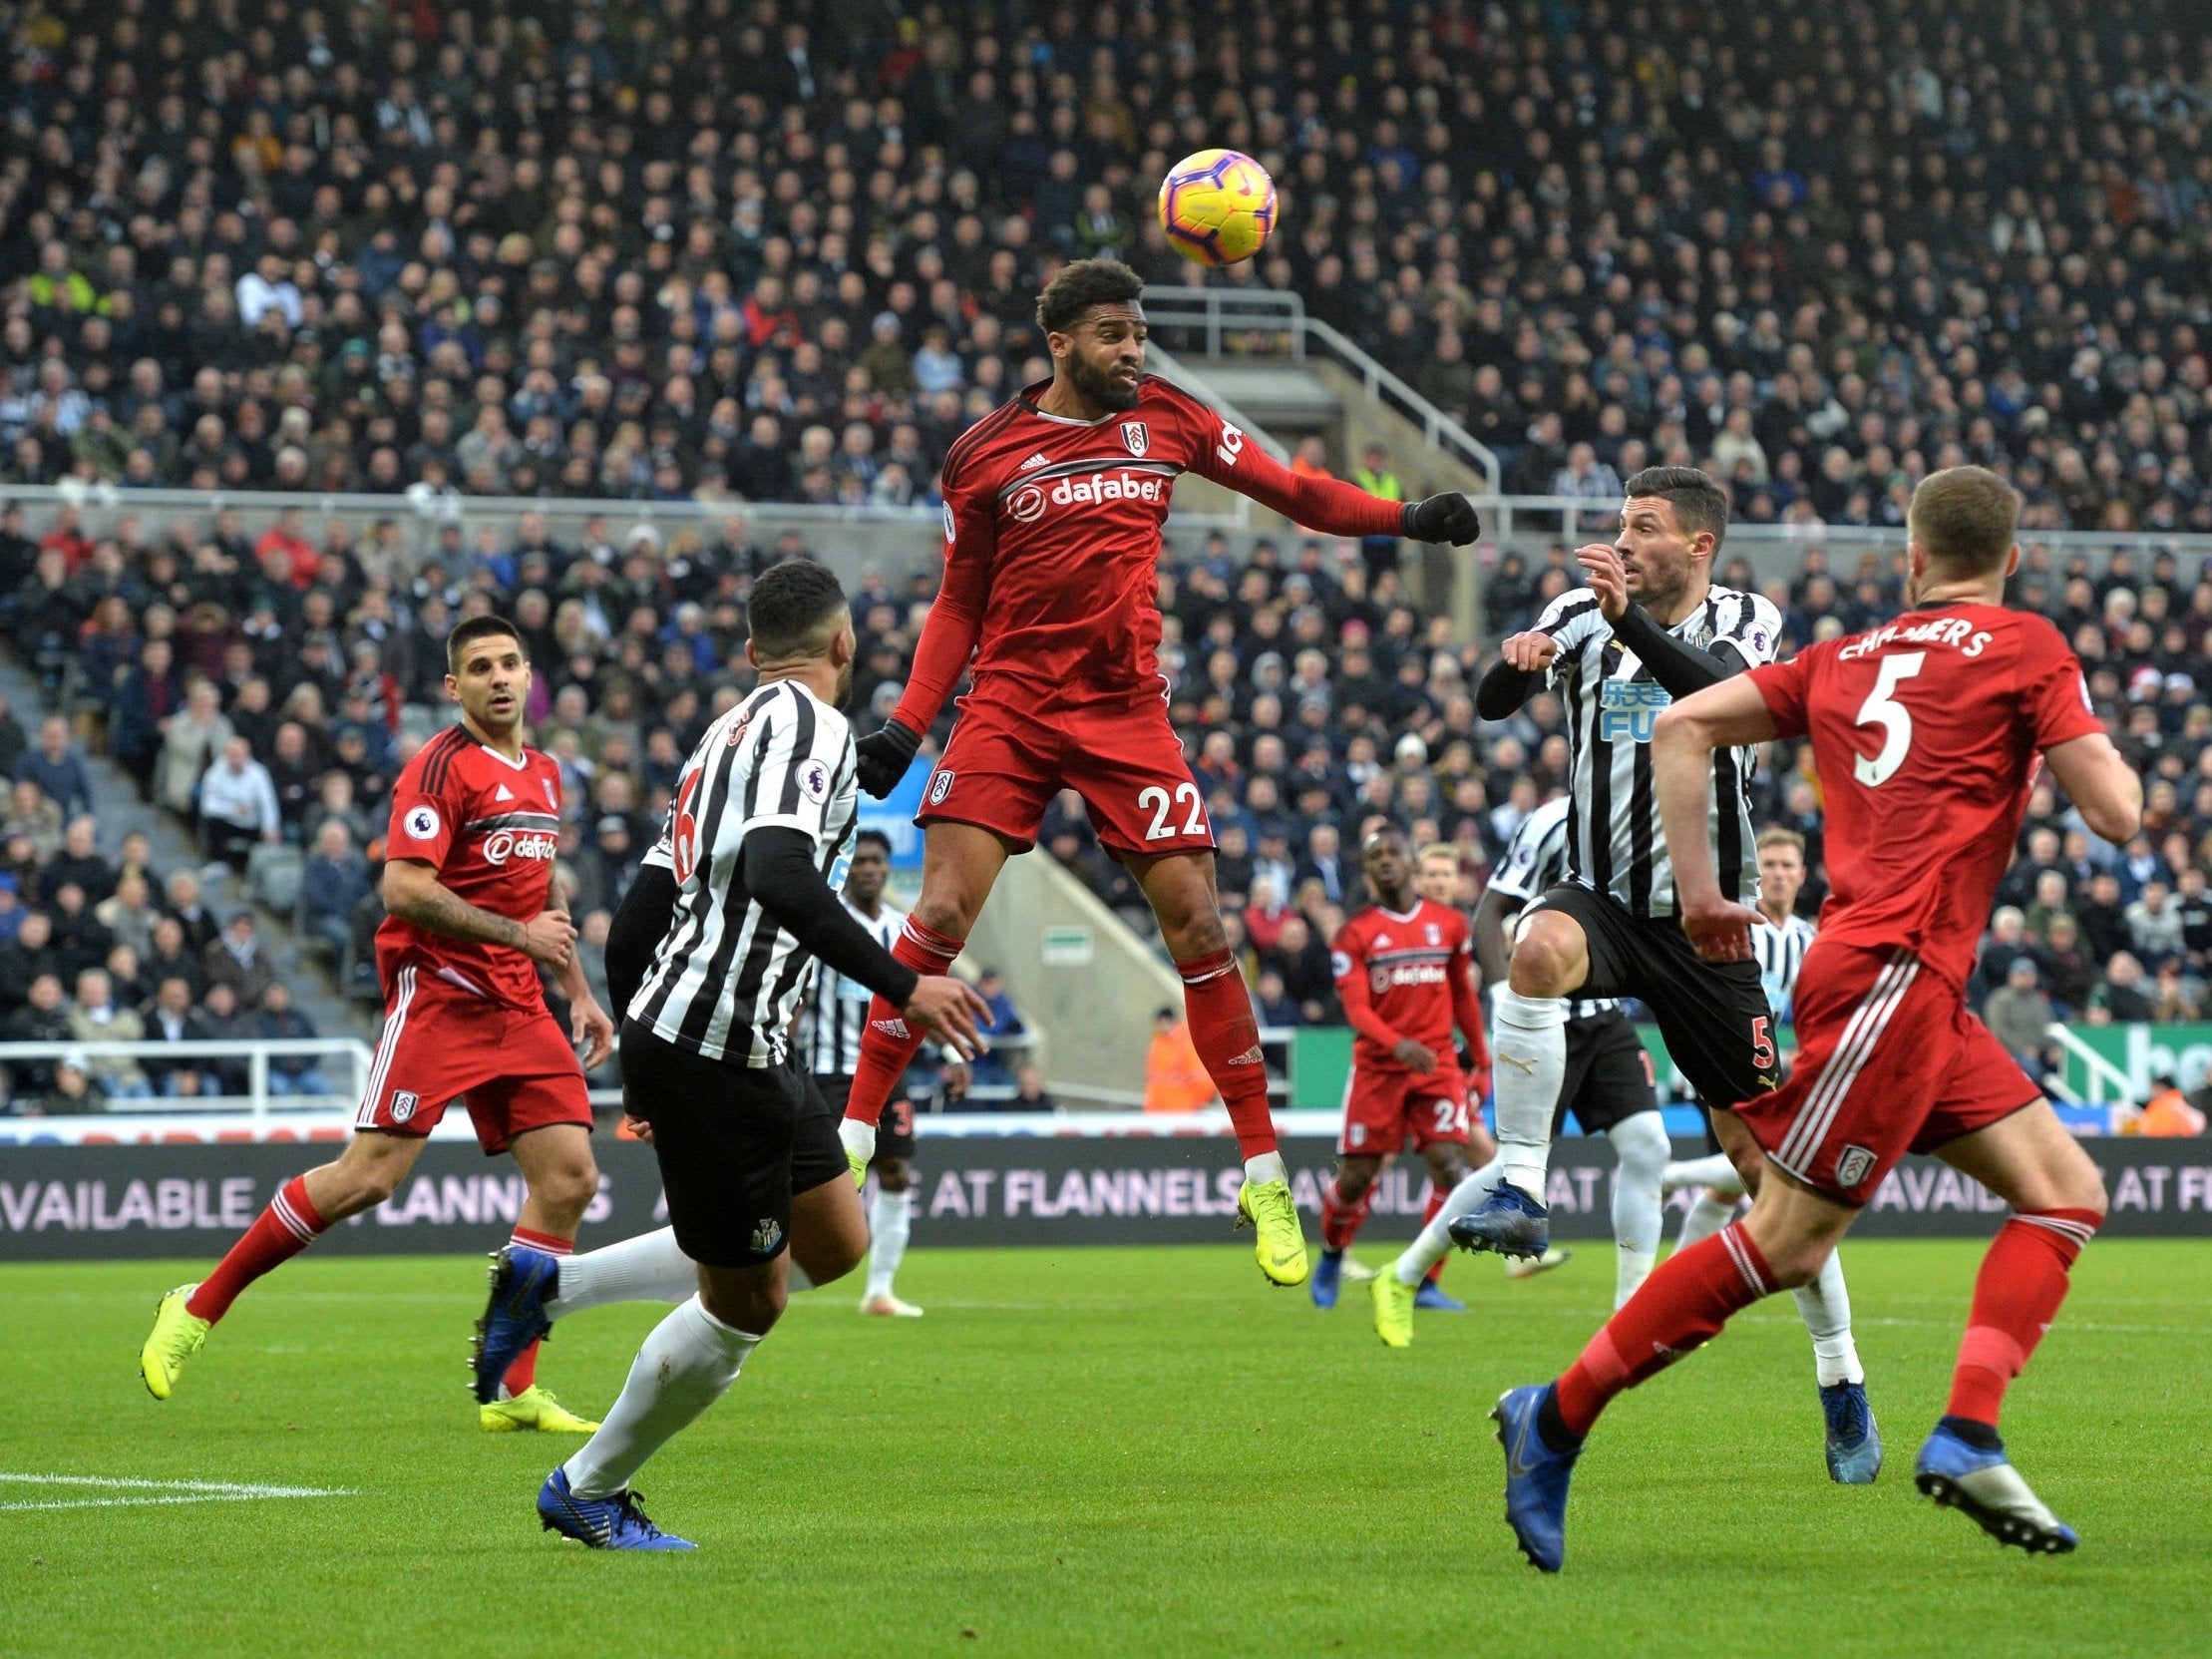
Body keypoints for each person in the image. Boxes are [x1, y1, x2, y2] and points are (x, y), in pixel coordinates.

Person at [1491, 465, 2141, 1572]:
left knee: (2066, 1192)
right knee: (1784, 1242)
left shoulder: (1846, 656)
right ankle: (1552, 1416)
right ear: (2012, 561)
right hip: (1892, 975)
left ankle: (1969, 1430)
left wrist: (1699, 893)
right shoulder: (2026, 646)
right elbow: (2117, 814)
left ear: (1911, 560)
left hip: (1910, 984)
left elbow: (1683, 726)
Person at [837, 258, 1482, 1290]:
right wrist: (908, 727)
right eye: (1110, 334)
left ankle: (1264, 1174)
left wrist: (1401, 518)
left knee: (1201, 929)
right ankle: (855, 1137)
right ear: (1058, 342)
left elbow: (1296, 492)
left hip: (1126, 714)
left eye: (1137, 332)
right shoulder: (984, 455)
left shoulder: (1171, 421)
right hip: (1006, 707)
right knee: (943, 916)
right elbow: (958, 604)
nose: (1132, 349)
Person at [523, 559, 985, 1550]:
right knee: (749, 1303)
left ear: (750, 652)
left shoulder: (724, 739)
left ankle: (548, 1289)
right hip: (718, 1045)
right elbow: (779, 871)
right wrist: (908, 982)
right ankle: (587, 1486)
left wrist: (643, 1055)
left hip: (729, 1040)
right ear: (845, 645)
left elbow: (638, 916)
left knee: (835, 1242)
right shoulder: (807, 727)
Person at [1447, 467, 1876, 1484]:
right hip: (1599, 896)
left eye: (1643, 527)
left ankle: (1839, 1372)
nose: (1622, 540)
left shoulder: (1748, 618)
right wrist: (1517, 664)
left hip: (1707, 924)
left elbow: (1708, 694)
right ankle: (1518, 1186)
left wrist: (1623, 619)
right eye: (1619, 525)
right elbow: (1489, 702)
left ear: (1698, 546)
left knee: (1767, 1178)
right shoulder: (1578, 608)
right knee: (1534, 953)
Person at [140, 615, 617, 1435]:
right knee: (368, 1177)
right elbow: (404, 889)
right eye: (480, 667)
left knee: (570, 1176)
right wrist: (521, 939)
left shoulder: (543, 771)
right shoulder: (437, 769)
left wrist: (574, 985)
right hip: (438, 994)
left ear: (529, 674)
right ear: (453, 686)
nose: (499, 678)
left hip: (518, 999)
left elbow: (543, 888)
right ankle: (199, 1303)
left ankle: (510, 1386)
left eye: (509, 663)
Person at [1372, 799, 1670, 1344]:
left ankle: (1632, 1313)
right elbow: (1490, 909)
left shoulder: (1661, 818)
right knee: (1512, 1168)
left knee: (1650, 1146)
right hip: (1541, 1016)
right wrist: (1499, 997)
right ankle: (1404, 1274)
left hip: (1604, 1017)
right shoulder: (1555, 820)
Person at [1314, 828, 1489, 1316]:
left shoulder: (1450, 925)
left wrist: (1482, 1057)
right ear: (1368, 871)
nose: (1386, 862)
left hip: (1435, 1066)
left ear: (1411, 863)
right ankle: (1331, 1255)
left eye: (1394, 853)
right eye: (1376, 857)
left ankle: (1423, 1279)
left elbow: (1462, 997)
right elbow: (1357, 1011)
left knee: (1451, 1168)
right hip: (1379, 1070)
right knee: (1356, 1177)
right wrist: (1398, 1044)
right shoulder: (1355, 934)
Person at [805, 828, 950, 1318]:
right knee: (820, 1182)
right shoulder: (824, 926)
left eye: (878, 862)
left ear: (888, 869)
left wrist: (950, 1053)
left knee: (896, 1171)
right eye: (862, 860)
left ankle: (880, 1290)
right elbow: (796, 996)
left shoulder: (901, 930)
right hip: (829, 1072)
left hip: (891, 1072)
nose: (870, 869)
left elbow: (924, 999)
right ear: (850, 868)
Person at [1660, 827, 1822, 1243]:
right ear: (1757, 872)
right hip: (1713, 1055)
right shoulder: (1733, 924)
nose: (1779, 874)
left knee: (1732, 1184)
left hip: (1761, 1061)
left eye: (1787, 866)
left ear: (1802, 875)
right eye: (1769, 865)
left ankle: (1679, 1282)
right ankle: (1673, 1176)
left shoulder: (1807, 939)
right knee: (1760, 1162)